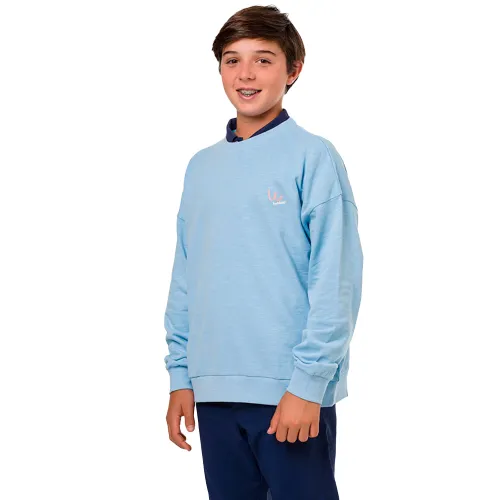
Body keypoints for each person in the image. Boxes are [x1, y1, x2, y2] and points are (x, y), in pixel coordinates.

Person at [163, 5, 363, 499]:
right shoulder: (201, 167)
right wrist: (181, 374)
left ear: (293, 70)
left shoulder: (313, 156)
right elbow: (187, 275)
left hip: (289, 392)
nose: (245, 74)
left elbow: (335, 279)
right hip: (212, 391)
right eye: (232, 60)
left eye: (263, 60)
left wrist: (309, 384)